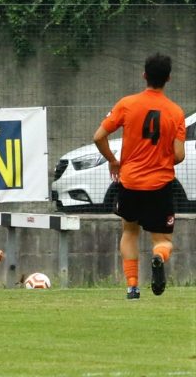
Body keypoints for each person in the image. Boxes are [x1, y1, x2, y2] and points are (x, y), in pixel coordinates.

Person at [93, 53, 185, 300]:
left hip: (130, 181)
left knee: (129, 231)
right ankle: (158, 258)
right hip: (160, 183)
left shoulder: (127, 104)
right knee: (163, 239)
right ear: (169, 78)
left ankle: (132, 286)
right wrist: (161, 158)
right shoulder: (176, 113)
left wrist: (113, 160)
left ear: (144, 75)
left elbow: (98, 136)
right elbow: (179, 155)